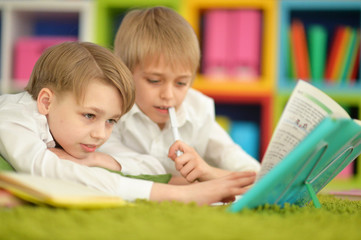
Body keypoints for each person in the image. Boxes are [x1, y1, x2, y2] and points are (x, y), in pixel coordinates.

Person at [0, 41, 256, 205]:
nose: (101, 134)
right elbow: (48, 169)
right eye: (89, 115)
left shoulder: (69, 129)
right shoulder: (13, 118)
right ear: (46, 101)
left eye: (111, 121)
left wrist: (101, 160)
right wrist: (182, 195)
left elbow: (144, 165)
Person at [100, 6, 260, 184]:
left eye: (181, 83)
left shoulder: (198, 111)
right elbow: (109, 163)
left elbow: (251, 172)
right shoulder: (111, 110)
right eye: (154, 80)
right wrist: (180, 181)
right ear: (126, 73)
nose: (168, 95)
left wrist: (208, 171)